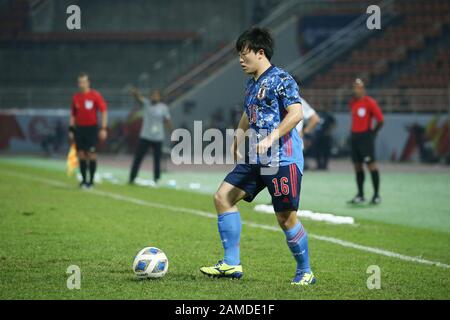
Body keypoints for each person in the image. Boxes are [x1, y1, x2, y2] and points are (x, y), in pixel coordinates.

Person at [200, 28, 315, 286]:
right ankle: (231, 263)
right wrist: (237, 137)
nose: (240, 60)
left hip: (283, 159)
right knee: (223, 197)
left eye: (244, 54)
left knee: (285, 218)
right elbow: (248, 112)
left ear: (260, 52)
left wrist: (271, 138)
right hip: (257, 156)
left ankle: (305, 271)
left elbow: (296, 114)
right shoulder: (251, 83)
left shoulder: (282, 78)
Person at [348, 78, 384, 205]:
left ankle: (376, 195)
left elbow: (380, 120)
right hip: (354, 137)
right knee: (357, 166)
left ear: (363, 89)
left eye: (357, 87)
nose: (355, 89)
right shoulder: (352, 102)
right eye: (354, 86)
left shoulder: (369, 102)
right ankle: (360, 195)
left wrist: (372, 133)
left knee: (371, 165)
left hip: (365, 137)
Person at [68, 73, 108, 188]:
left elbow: (104, 111)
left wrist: (103, 128)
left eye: (83, 82)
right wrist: (71, 129)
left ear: (88, 82)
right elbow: (73, 115)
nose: (81, 84)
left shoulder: (95, 95)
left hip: (91, 128)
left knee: (91, 154)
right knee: (81, 154)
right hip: (79, 129)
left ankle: (91, 181)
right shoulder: (76, 97)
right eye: (79, 82)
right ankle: (83, 181)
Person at [129, 88, 172, 185]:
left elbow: (167, 121)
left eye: (156, 95)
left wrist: (172, 133)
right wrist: (136, 94)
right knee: (138, 157)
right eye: (153, 95)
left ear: (160, 97)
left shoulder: (163, 108)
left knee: (157, 160)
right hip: (145, 136)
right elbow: (139, 98)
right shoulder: (147, 104)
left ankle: (156, 179)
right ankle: (132, 177)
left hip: (158, 137)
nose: (154, 97)